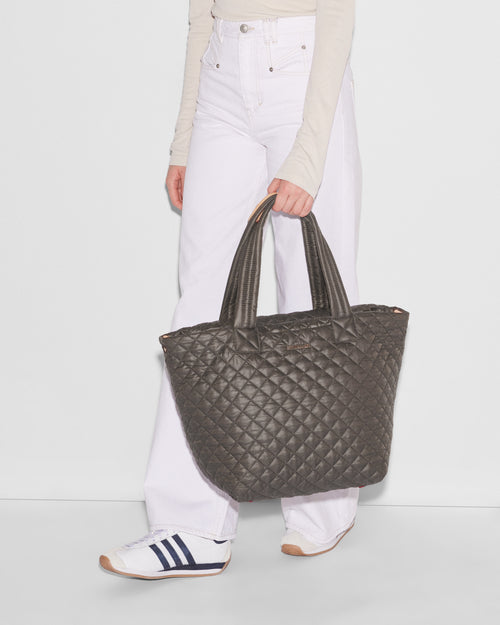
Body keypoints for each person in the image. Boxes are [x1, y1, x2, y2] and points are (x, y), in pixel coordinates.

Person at [99, 0, 362, 580]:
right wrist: (184, 140)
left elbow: (338, 12)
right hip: (220, 77)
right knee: (201, 309)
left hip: (304, 69)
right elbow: (201, 15)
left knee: (312, 305)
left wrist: (309, 154)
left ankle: (323, 503)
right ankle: (192, 526)